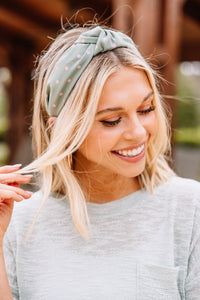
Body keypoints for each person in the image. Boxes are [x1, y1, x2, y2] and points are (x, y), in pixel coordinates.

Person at [0, 25, 200, 300]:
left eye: (146, 109)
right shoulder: (16, 225)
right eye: (112, 120)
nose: (139, 132)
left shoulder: (190, 210)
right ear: (63, 131)